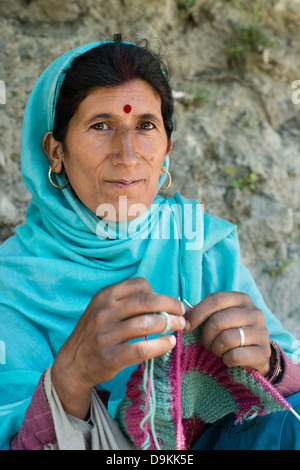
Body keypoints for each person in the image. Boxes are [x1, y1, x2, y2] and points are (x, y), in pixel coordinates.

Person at [1, 35, 300, 451]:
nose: (128, 154)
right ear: (55, 151)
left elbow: (290, 388)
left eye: (145, 126)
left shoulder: (199, 242)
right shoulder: (11, 281)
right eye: (101, 125)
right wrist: (70, 377)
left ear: (167, 149)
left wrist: (269, 360)